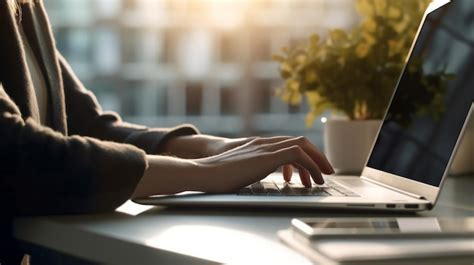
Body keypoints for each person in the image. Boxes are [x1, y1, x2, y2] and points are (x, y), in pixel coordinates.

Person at [0, 0, 334, 264]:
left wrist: (212, 148)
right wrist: (205, 173)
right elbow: (17, 153)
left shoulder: (27, 6)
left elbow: (86, 125)